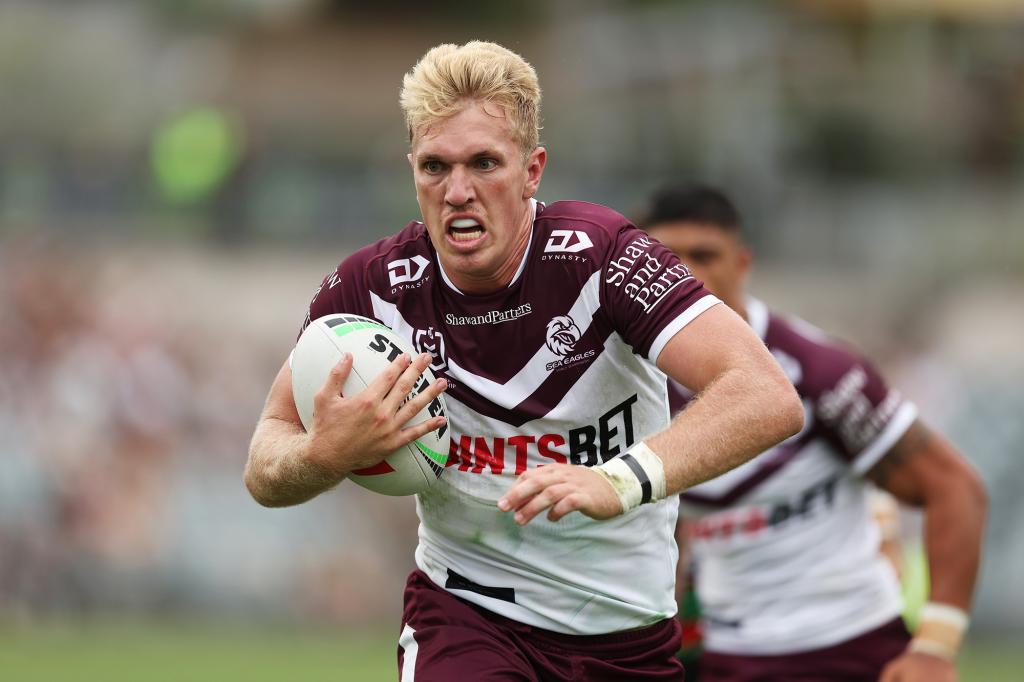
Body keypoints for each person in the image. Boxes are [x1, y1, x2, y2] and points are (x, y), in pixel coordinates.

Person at [244, 42, 803, 681]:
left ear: (532, 171)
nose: (458, 191)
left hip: (626, 633)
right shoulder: (371, 290)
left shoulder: (606, 258)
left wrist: (616, 480)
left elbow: (765, 394)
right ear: (413, 172)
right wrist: (324, 455)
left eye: (485, 163)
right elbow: (266, 458)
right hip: (467, 614)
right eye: (435, 166)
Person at [640, 183, 988, 682]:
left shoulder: (817, 370)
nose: (688, 272)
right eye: (669, 259)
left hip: (848, 647)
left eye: (705, 255)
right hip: (724, 653)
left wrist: (936, 646)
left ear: (742, 263)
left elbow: (955, 488)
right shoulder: (630, 382)